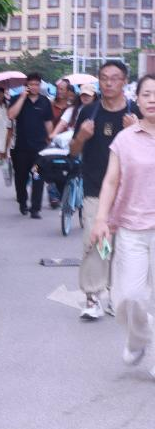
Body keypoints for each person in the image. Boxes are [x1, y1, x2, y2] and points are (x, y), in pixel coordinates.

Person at [89, 74, 155, 375]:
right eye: (146, 94)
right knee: (129, 297)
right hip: (131, 229)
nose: (152, 99)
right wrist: (101, 219)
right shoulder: (124, 140)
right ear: (137, 100)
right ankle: (138, 339)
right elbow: (111, 181)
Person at [70, 60, 142, 321]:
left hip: (131, 193)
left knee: (124, 247)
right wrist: (82, 137)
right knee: (96, 242)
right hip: (95, 188)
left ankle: (116, 295)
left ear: (124, 81)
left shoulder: (137, 113)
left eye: (115, 78)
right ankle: (92, 297)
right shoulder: (89, 112)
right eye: (104, 78)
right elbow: (73, 151)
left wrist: (136, 131)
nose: (109, 83)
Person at [8, 72, 53, 218]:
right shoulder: (17, 98)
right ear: (26, 85)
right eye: (31, 84)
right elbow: (11, 115)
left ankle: (35, 209)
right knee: (20, 178)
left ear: (40, 86)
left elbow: (48, 122)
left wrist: (51, 140)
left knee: (37, 177)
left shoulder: (45, 101)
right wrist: (22, 97)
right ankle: (22, 202)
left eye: (36, 84)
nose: (34, 87)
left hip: (39, 149)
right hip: (21, 148)